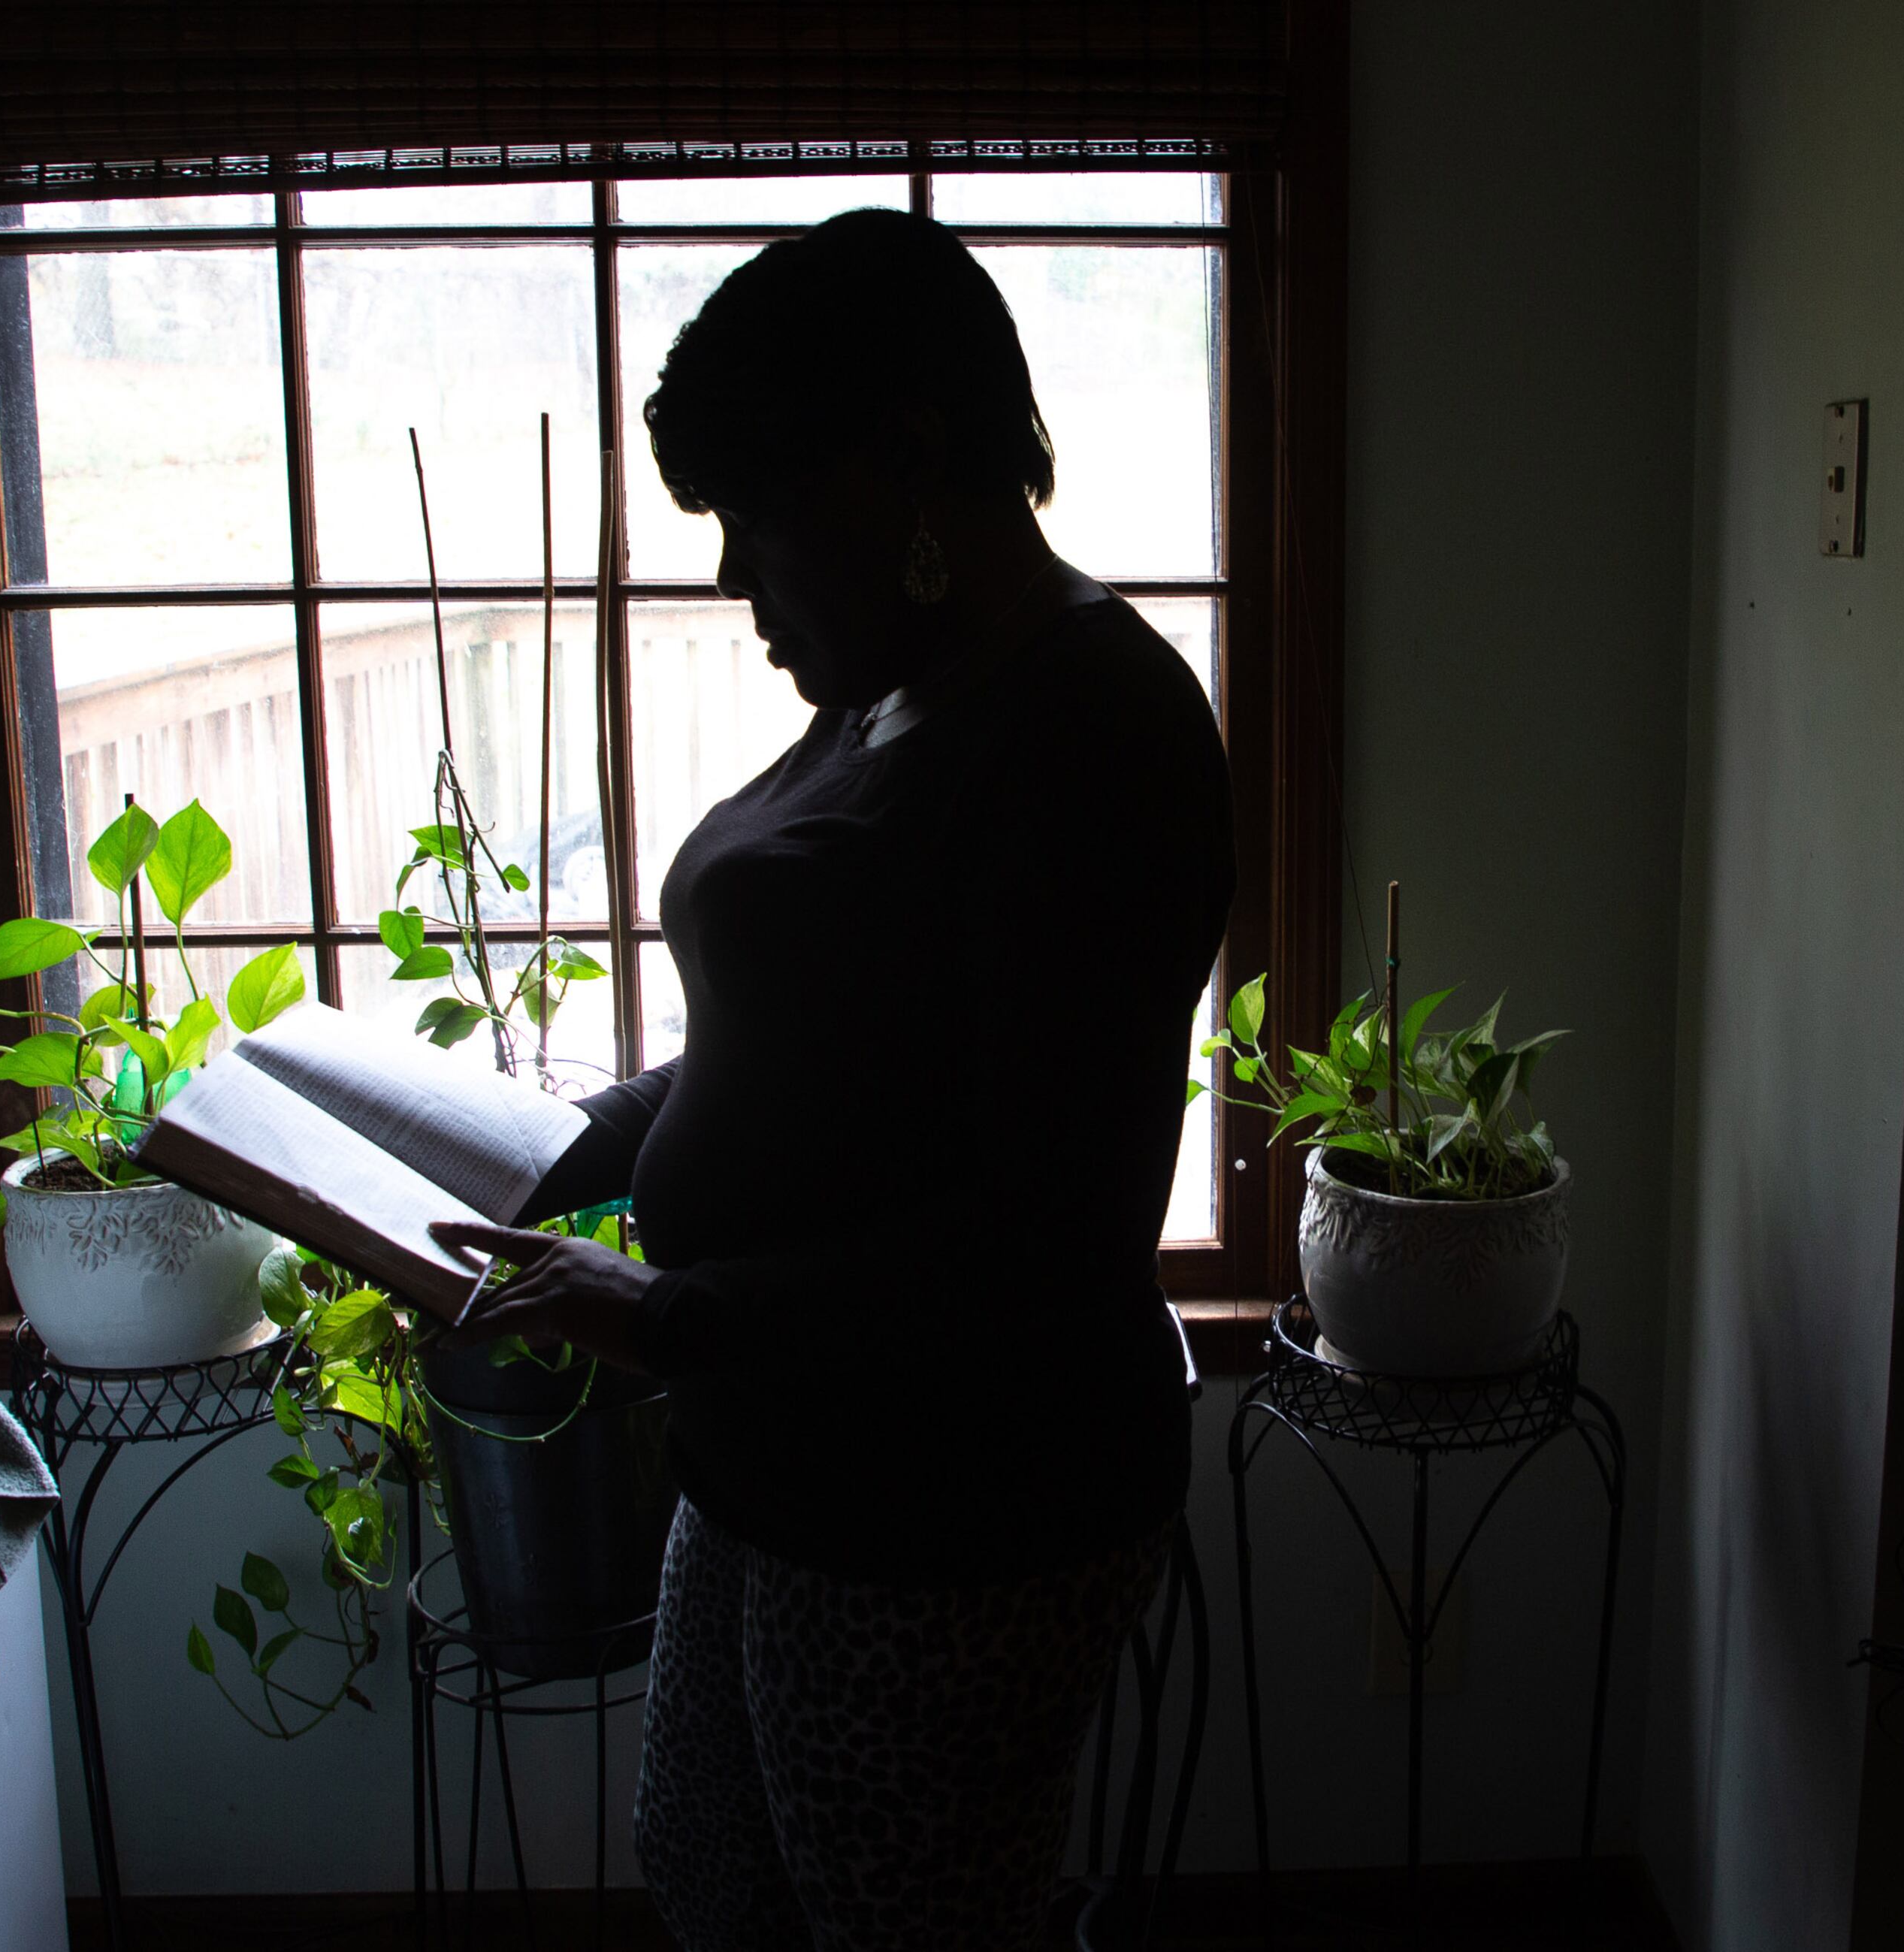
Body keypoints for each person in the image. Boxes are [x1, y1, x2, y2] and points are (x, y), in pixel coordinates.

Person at [430, 207, 1235, 1952]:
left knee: (900, 1925)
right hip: (775, 1467)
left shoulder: (1096, 728)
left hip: (953, 1510)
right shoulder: (894, 692)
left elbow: (1052, 1230)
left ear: (910, 464)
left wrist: (671, 1318)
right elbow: (780, 1043)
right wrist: (539, 1152)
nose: (736, 583)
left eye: (756, 520)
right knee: (714, 1868)